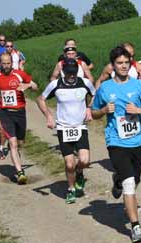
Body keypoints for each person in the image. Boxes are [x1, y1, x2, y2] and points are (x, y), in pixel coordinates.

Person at [91, 46, 141, 242]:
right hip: (116, 141)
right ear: (112, 66)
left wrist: (139, 110)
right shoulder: (105, 88)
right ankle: (135, 226)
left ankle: (117, 180)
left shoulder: (139, 86)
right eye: (119, 63)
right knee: (130, 184)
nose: (123, 66)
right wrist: (104, 109)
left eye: (126, 63)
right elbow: (94, 114)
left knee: (134, 180)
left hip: (138, 141)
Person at [38, 58, 96, 204]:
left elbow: (95, 94)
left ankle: (79, 172)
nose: (71, 75)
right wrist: (49, 116)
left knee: (84, 160)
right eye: (69, 72)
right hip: (64, 128)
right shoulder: (56, 84)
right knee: (69, 163)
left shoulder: (84, 82)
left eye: (74, 72)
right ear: (63, 71)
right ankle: (71, 189)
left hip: (80, 126)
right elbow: (40, 99)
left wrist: (89, 108)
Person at [0, 53, 38, 184]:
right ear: (0, 63)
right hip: (6, 113)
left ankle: (15, 155)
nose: (6, 66)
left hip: (20, 113)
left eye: (8, 63)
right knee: (13, 143)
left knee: (20, 143)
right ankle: (20, 172)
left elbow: (35, 86)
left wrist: (28, 86)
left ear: (12, 62)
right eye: (3, 63)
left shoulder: (20, 74)